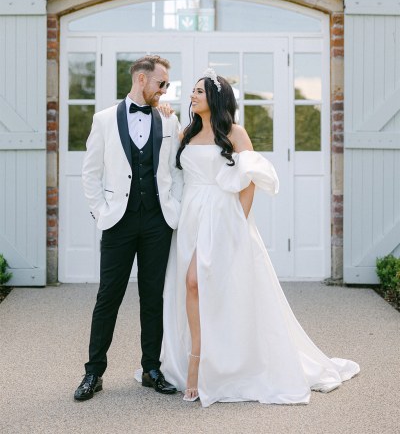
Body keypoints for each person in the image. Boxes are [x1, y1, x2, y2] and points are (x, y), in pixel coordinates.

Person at [161, 68, 360, 407]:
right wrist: (163, 113)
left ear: (216, 98)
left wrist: (238, 220)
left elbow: (251, 178)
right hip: (192, 217)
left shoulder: (235, 133)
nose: (192, 96)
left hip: (224, 217)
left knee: (200, 283)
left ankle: (202, 365)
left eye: (198, 91)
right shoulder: (186, 132)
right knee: (190, 286)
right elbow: (171, 171)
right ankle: (196, 357)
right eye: (191, 91)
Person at [74, 55, 183, 401]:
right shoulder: (104, 119)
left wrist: (174, 209)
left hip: (157, 221)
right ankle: (93, 373)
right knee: (108, 297)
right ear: (140, 78)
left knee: (153, 297)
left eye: (166, 85)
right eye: (160, 83)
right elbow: (90, 172)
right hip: (118, 221)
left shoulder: (169, 119)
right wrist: (100, 212)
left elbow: (177, 171)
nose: (164, 90)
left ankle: (152, 368)